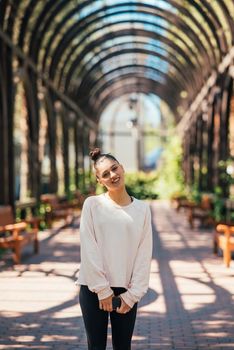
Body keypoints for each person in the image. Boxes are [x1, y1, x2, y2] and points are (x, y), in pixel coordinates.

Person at [76, 148, 152, 350]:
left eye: (114, 168)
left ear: (122, 168)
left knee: (123, 347)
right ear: (100, 181)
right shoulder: (92, 205)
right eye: (105, 174)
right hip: (93, 288)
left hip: (126, 290)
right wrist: (102, 290)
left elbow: (144, 254)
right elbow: (89, 248)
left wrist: (133, 295)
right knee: (96, 347)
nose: (112, 175)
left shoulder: (143, 209)